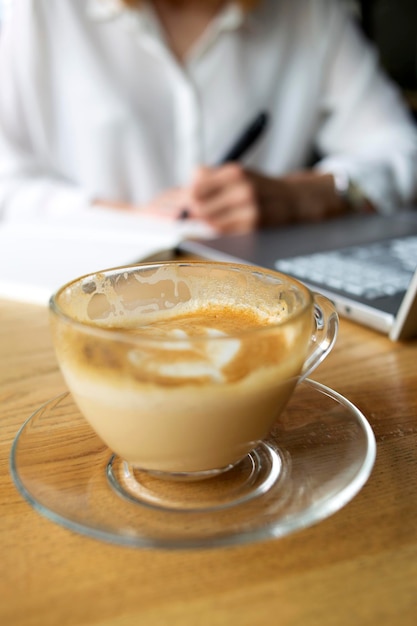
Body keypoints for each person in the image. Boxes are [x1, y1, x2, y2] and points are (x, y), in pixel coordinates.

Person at [0, 0, 416, 235]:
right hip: (76, 302)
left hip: (252, 305)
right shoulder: (32, 13)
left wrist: (313, 195)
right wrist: (123, 219)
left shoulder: (307, 14)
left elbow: (401, 148)